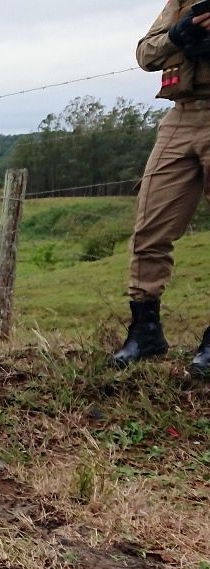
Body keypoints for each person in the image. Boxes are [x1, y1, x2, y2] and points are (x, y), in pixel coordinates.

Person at [115, 0, 210, 373]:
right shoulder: (184, 3)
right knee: (149, 228)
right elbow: (146, 53)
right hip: (181, 115)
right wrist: (178, 33)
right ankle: (146, 332)